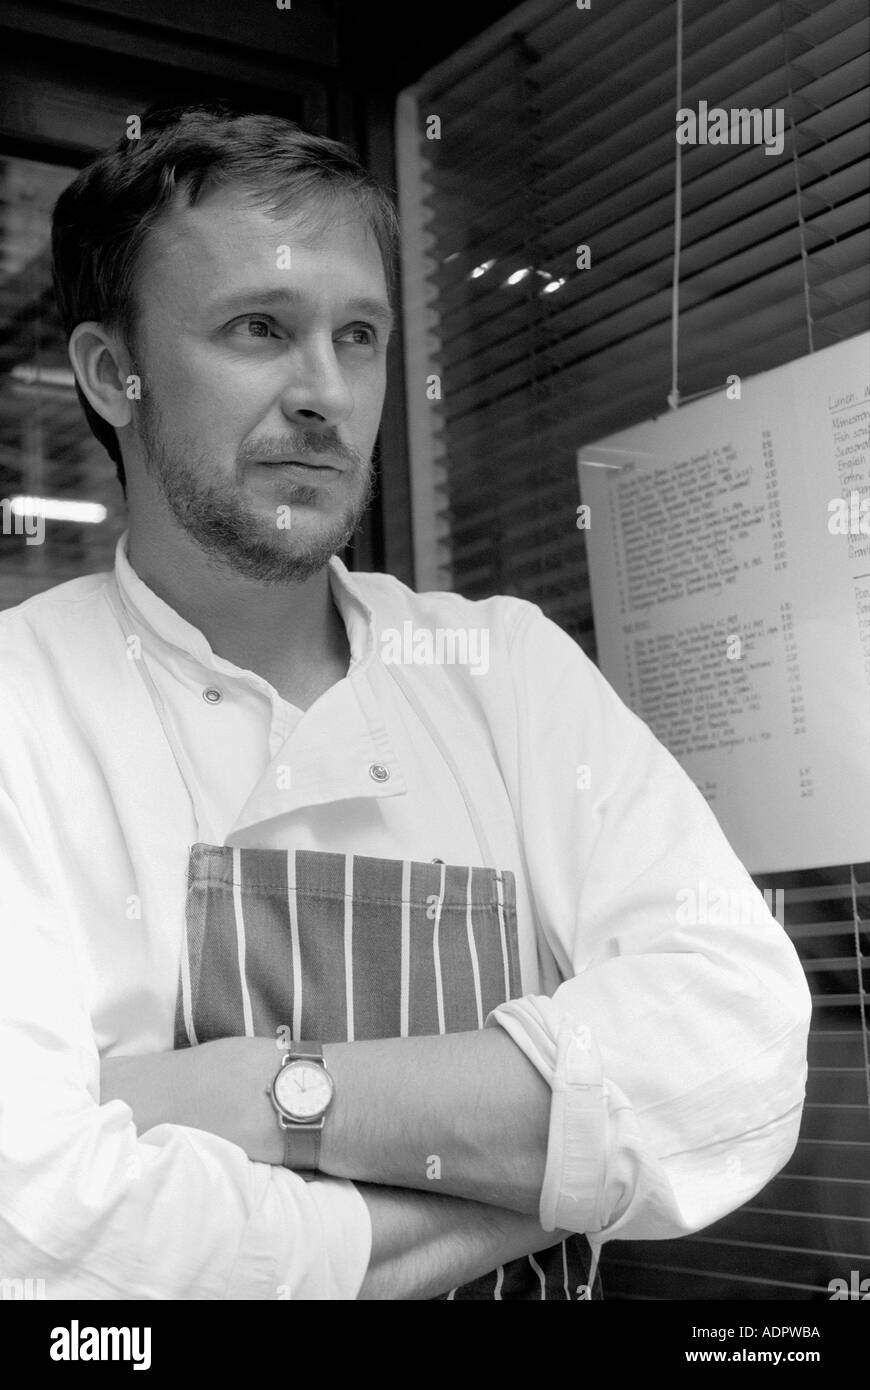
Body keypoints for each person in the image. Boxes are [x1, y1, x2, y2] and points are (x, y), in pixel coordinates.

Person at [0, 104, 811, 1301]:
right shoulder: (22, 707)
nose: (326, 392)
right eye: (259, 329)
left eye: (361, 334)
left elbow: (738, 1044)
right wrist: (541, 1176)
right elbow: (41, 1233)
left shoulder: (507, 671)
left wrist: (274, 1093)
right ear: (112, 374)